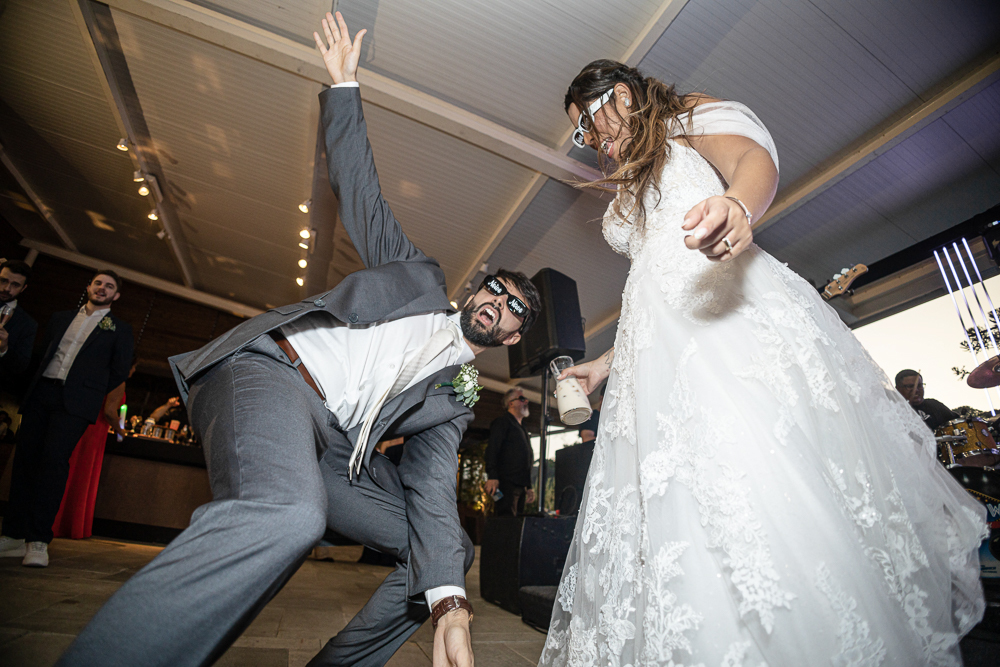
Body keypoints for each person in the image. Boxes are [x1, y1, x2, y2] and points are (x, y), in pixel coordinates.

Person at [58, 13, 541, 667]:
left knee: (448, 547)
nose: (500, 304)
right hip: (273, 375)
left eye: (515, 310)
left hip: (332, 447)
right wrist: (344, 88)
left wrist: (452, 605)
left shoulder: (457, 397)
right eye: (499, 289)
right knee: (290, 513)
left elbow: (429, 486)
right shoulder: (419, 278)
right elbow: (364, 197)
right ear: (479, 288)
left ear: (510, 335)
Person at [541, 60, 986, 666]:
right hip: (658, 365)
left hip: (724, 338)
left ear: (618, 95)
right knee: (681, 520)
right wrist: (605, 365)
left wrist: (737, 208)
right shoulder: (631, 183)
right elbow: (654, 291)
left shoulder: (682, 119)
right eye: (584, 137)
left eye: (589, 125)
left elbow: (754, 159)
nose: (594, 142)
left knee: (750, 488)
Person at [0, 270, 133, 568]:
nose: (102, 288)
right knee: (25, 463)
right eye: (98, 283)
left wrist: (89, 387)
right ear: (88, 286)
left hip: (75, 404)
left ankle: (38, 540)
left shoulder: (119, 329)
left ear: (116, 296)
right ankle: (11, 535)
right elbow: (42, 355)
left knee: (53, 464)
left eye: (109, 286)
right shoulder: (60, 318)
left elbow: (119, 371)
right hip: (41, 394)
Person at [52, 358, 137, 540]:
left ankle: (56, 520)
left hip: (82, 426)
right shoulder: (117, 382)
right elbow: (109, 412)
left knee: (68, 473)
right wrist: (121, 431)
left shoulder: (98, 375)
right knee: (82, 475)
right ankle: (71, 524)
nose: (134, 372)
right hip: (95, 431)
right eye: (134, 368)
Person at [485, 387, 536, 516]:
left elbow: (526, 458)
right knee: (505, 521)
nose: (526, 402)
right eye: (522, 399)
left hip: (520, 485)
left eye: (526, 399)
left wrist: (528, 486)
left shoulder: (523, 428)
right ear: (511, 403)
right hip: (505, 483)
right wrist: (492, 475)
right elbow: (493, 448)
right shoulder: (502, 422)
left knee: (515, 524)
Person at [0, 259, 38, 396]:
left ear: (23, 288)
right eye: (3, 281)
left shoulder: (27, 324)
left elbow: (20, 366)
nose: (7, 288)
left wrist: (4, 349)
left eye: (15, 285)